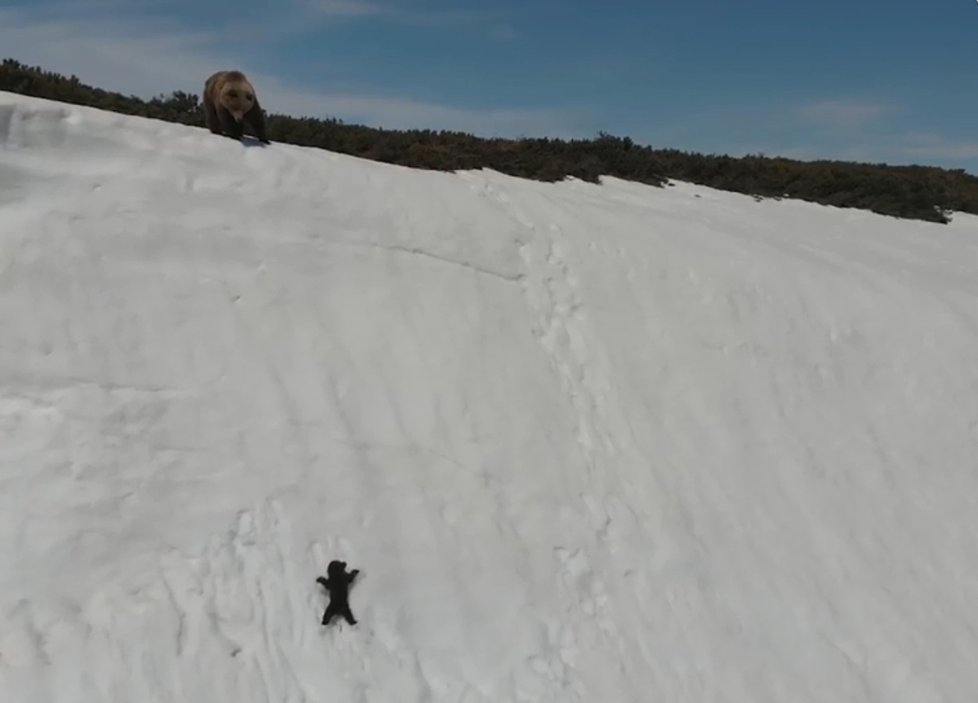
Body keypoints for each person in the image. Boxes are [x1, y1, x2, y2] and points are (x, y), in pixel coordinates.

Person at [316, 560, 359, 626]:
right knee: (347, 613)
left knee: (329, 612)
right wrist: (354, 572)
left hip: (334, 604)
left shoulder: (332, 580)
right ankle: (352, 622)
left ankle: (325, 621)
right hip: (343, 603)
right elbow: (350, 578)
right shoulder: (344, 577)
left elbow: (327, 584)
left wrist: (321, 580)